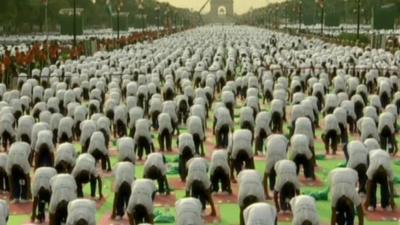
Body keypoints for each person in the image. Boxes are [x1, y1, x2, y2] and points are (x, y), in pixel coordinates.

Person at [263, 134, 288, 199]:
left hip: (270, 155)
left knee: (266, 174)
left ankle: (267, 194)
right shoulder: (284, 138)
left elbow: (266, 149)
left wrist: (266, 195)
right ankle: (284, 193)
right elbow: (286, 149)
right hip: (281, 155)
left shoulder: (268, 138)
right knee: (284, 174)